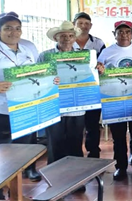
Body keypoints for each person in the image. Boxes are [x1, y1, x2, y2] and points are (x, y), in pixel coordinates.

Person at [0, 14, 48, 198]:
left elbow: (37, 73)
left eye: (17, 28)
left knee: (22, 152)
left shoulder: (28, 48)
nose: (14, 32)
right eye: (8, 28)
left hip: (26, 109)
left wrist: (50, 81)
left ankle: (16, 193)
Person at [97, 20, 132, 181]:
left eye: (127, 32)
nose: (124, 35)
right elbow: (98, 72)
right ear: (114, 34)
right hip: (115, 100)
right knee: (118, 137)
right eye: (120, 32)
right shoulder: (106, 52)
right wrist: (99, 69)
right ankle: (121, 167)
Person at [38, 21, 86, 166]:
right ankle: (55, 180)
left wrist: (98, 69)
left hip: (76, 108)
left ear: (74, 38)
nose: (67, 39)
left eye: (71, 36)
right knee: (54, 144)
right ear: (55, 38)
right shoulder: (45, 56)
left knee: (75, 144)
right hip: (53, 107)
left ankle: (77, 180)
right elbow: (37, 80)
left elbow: (90, 78)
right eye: (63, 36)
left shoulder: (84, 56)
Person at [72, 11, 106, 159]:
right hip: (72, 90)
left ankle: (93, 152)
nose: (83, 26)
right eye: (80, 23)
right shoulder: (67, 41)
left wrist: (101, 66)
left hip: (92, 90)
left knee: (92, 124)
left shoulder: (98, 43)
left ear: (90, 26)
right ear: (74, 24)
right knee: (76, 125)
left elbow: (104, 63)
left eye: (86, 24)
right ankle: (75, 154)